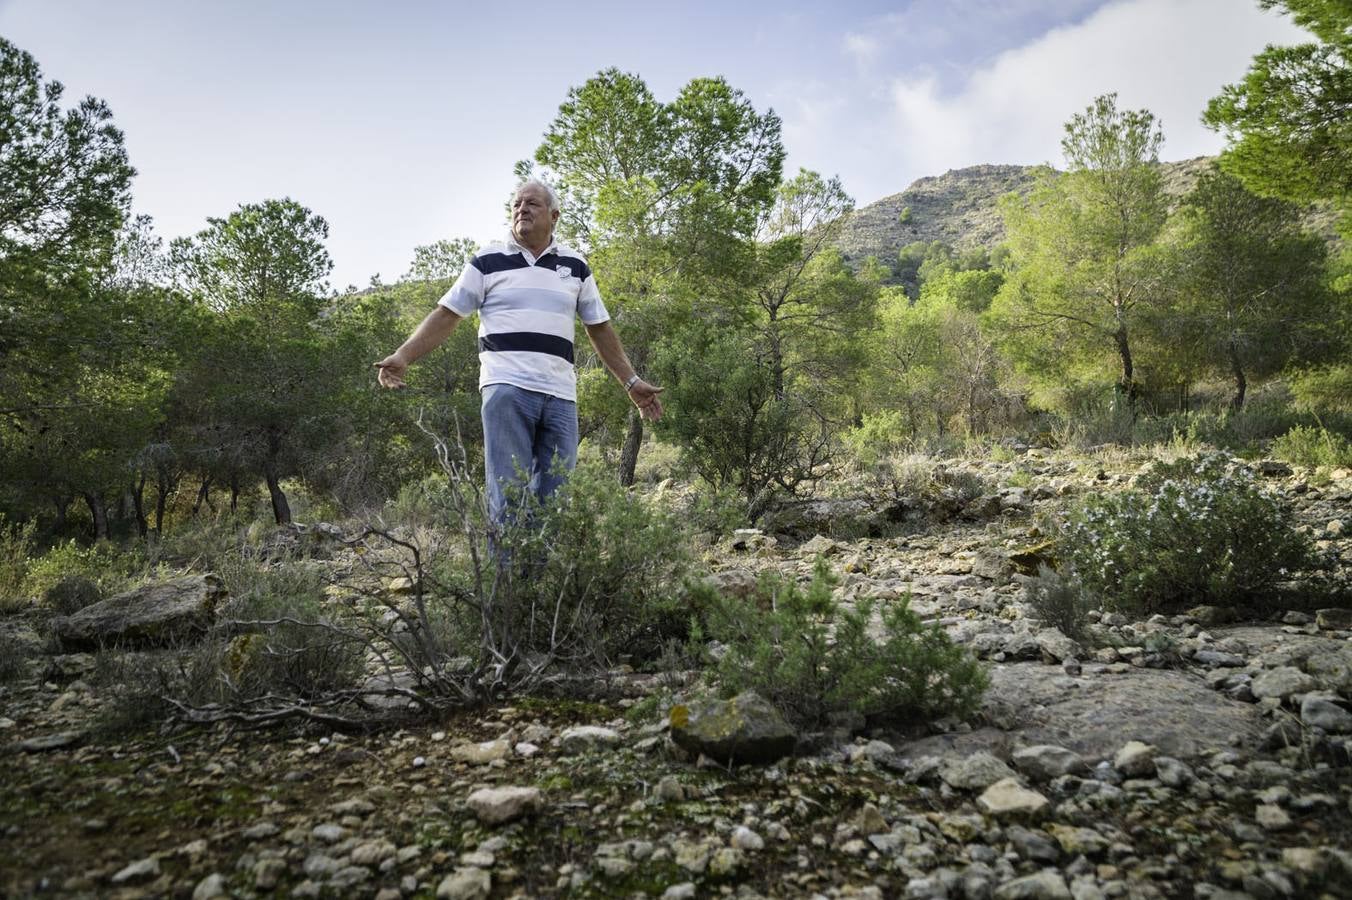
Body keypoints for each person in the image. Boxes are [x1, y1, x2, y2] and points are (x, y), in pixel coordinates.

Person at [375, 178, 662, 523]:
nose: (521, 209)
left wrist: (630, 382)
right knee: (508, 495)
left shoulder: (576, 266)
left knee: (554, 501)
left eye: (532, 204)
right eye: (516, 205)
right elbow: (447, 314)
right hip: (506, 389)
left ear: (554, 215)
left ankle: (540, 577)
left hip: (560, 396)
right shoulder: (487, 261)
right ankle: (507, 577)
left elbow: (598, 327)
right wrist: (403, 356)